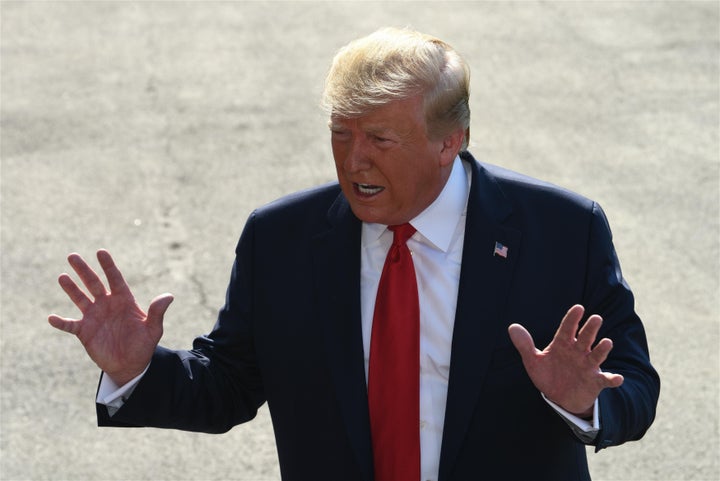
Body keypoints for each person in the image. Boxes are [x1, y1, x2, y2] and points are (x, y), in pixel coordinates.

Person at [49, 27, 659, 481]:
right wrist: (140, 370)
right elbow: (228, 385)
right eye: (341, 134)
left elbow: (633, 386)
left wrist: (584, 402)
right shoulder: (281, 238)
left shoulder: (559, 230)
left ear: (452, 140)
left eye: (380, 140)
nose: (354, 160)